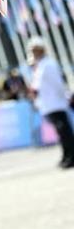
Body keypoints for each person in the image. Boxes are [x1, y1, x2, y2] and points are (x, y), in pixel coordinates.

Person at [26, 37, 74, 168]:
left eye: (35, 50)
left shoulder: (49, 64)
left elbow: (58, 84)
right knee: (61, 133)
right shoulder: (39, 66)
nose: (33, 53)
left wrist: (65, 97)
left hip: (57, 104)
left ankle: (71, 157)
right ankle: (66, 155)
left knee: (65, 132)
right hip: (48, 105)